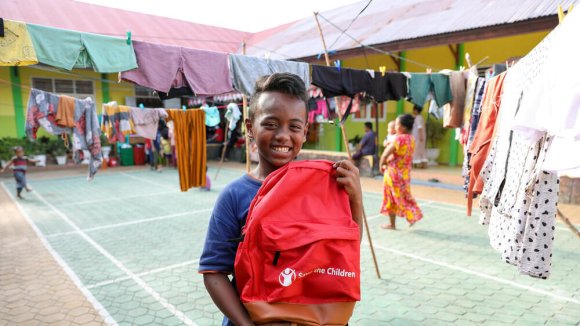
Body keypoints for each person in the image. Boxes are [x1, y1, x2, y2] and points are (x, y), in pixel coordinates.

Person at [198, 73, 363, 326]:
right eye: (271, 124)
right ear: (250, 127)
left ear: (305, 132)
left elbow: (345, 253)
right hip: (251, 318)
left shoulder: (324, 186)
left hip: (316, 317)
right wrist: (246, 324)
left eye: (294, 126)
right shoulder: (234, 195)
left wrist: (355, 199)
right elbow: (213, 272)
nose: (283, 135)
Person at [379, 114, 423, 230]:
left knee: (392, 197)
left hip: (393, 173)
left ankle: (411, 216)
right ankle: (395, 223)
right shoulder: (411, 139)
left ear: (402, 127)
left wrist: (381, 164)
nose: (395, 127)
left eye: (397, 124)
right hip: (405, 174)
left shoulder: (399, 139)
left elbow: (385, 154)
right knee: (404, 196)